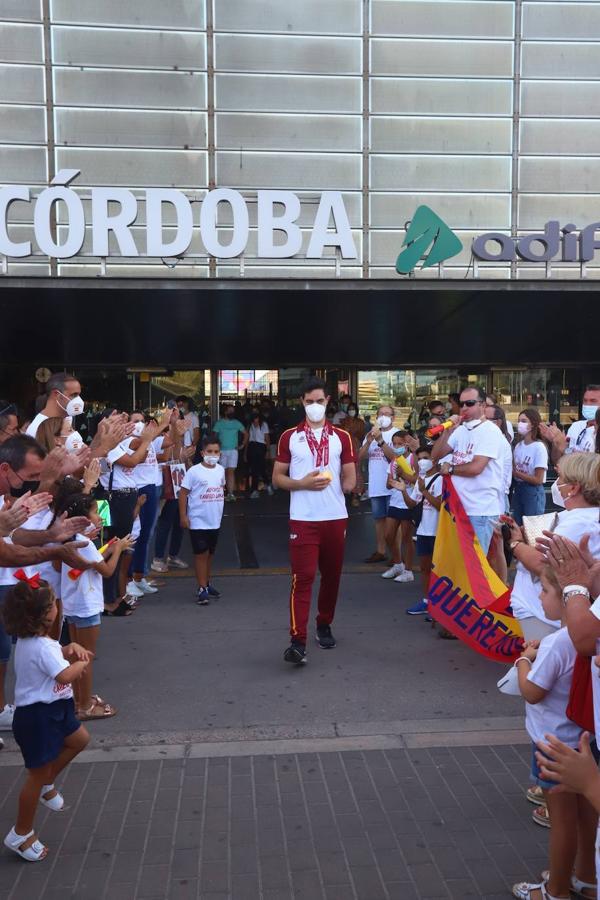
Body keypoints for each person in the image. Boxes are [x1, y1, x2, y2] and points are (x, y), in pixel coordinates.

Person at [512, 565, 597, 900]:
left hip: (552, 746)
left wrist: (523, 660)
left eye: (545, 591)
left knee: (561, 822)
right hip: (586, 743)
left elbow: (532, 691)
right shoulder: (586, 639)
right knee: (588, 817)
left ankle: (556, 889)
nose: (539, 597)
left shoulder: (555, 644)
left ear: (565, 600)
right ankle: (587, 876)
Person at [2, 576, 91, 861]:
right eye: (53, 603)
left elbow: (53, 658)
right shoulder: (39, 646)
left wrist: (67, 650)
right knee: (34, 777)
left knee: (79, 740)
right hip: (37, 717)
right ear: (44, 614)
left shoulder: (39, 642)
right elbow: (64, 674)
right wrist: (80, 662)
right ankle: (21, 833)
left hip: (55, 709)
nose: (57, 607)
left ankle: (47, 783)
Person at [273, 376, 356, 665]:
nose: (315, 406)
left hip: (334, 517)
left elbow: (351, 477)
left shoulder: (342, 437)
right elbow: (278, 478)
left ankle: (324, 623)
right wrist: (302, 484)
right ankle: (298, 641)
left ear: (328, 402)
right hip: (303, 518)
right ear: (302, 403)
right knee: (303, 577)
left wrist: (348, 484)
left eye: (319, 401)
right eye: (309, 402)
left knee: (331, 577)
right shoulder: (289, 436)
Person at [57, 491, 135, 715]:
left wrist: (108, 549)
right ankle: (85, 706)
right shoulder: (85, 544)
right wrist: (118, 550)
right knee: (86, 657)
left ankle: (78, 699)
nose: (99, 516)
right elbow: (108, 571)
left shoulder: (72, 540)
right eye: (94, 511)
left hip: (73, 604)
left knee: (75, 655)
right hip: (86, 605)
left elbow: (90, 563)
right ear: (83, 518)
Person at [432, 386, 504, 555]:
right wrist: (447, 432)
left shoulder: (490, 431)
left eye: (469, 403)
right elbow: (436, 456)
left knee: (474, 567)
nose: (464, 408)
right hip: (458, 509)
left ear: (482, 405)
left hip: (479, 511)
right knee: (458, 565)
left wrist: (450, 469)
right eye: (462, 404)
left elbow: (476, 467)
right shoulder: (462, 430)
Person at [178, 434, 225, 606]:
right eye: (210, 451)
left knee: (210, 554)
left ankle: (207, 582)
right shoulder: (194, 471)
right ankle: (201, 588)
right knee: (200, 554)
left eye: (216, 451)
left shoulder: (220, 470)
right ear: (202, 452)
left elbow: (221, 489)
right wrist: (183, 516)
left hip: (215, 520)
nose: (213, 454)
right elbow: (183, 493)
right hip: (198, 520)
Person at [358, 404, 400, 563]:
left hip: (393, 485)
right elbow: (359, 457)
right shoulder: (371, 434)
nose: (384, 416)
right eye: (381, 413)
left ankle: (396, 555)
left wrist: (381, 441)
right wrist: (369, 442)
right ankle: (381, 550)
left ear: (393, 417)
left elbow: (395, 458)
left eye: (387, 414)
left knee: (395, 522)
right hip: (376, 485)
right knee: (379, 520)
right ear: (376, 416)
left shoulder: (397, 434)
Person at [404, 446, 443, 616]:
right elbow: (412, 504)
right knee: (425, 568)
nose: (422, 462)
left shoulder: (441, 479)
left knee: (439, 570)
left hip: (437, 532)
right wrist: (402, 490)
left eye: (425, 457)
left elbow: (440, 505)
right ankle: (427, 601)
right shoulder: (420, 478)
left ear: (434, 460)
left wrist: (424, 491)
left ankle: (440, 605)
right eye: (419, 458)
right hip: (422, 530)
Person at [381, 431, 416, 584]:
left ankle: (408, 570)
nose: (396, 447)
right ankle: (398, 564)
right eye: (394, 444)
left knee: (407, 538)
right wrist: (392, 480)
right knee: (388, 535)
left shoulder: (414, 459)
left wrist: (404, 475)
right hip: (395, 502)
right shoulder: (394, 460)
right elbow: (388, 484)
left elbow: (416, 481)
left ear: (407, 444)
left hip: (408, 502)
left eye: (399, 444)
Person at [542, 384, 600, 464]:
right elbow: (557, 461)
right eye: (585, 400)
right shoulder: (575, 426)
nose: (587, 404)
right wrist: (556, 442)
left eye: (593, 401)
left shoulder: (597, 432)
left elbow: (593, 464)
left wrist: (565, 449)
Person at [512, 408, 549, 525]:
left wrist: (517, 473)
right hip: (518, 489)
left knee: (532, 526)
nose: (520, 424)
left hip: (533, 491)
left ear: (532, 424)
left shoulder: (539, 447)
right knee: (518, 525)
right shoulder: (518, 446)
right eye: (519, 421)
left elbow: (538, 479)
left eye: (524, 421)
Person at [26, 372, 84, 439]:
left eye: (78, 395)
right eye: (73, 395)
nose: (78, 400)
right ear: (56, 394)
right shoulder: (37, 429)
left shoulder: (68, 418)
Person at [213, 404, 247, 501]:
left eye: (233, 411)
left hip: (233, 450)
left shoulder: (237, 423)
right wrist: (215, 449)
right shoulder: (219, 423)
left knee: (231, 472)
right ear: (225, 412)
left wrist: (242, 445)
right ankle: (220, 493)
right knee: (222, 472)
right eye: (230, 411)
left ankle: (230, 493)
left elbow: (246, 434)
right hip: (222, 451)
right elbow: (214, 437)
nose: (232, 412)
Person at [337, 400, 366, 506]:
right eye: (349, 409)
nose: (351, 411)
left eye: (353, 409)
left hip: (356, 446)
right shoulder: (343, 421)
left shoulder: (360, 422)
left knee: (356, 469)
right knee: (343, 469)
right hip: (344, 447)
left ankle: (355, 495)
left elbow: (362, 435)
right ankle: (342, 494)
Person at [245, 411, 271, 499]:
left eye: (257, 418)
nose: (256, 420)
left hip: (261, 446)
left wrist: (268, 450)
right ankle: (255, 489)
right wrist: (246, 452)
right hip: (252, 446)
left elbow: (267, 438)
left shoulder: (264, 425)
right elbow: (248, 439)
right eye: (254, 419)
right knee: (254, 468)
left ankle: (264, 485)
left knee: (261, 467)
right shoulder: (250, 426)